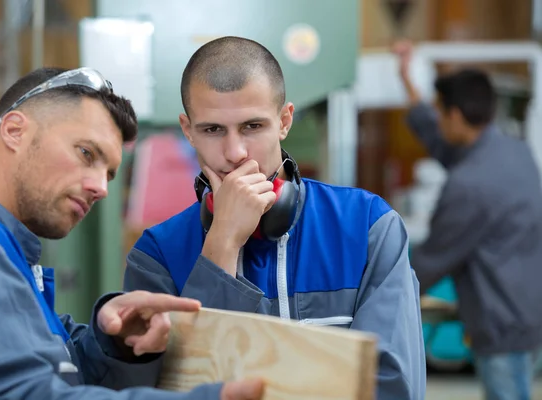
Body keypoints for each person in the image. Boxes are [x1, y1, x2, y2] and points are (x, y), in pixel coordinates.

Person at [123, 36, 426, 399]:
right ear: (188, 131)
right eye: (212, 129)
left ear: (284, 121)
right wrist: (221, 247)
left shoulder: (368, 227)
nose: (235, 153)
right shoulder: (156, 255)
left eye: (252, 127)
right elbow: (164, 389)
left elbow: (393, 386)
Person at [0, 67, 265, 400]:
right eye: (86, 153)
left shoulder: (4, 254)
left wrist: (113, 344)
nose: (100, 188)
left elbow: (55, 375)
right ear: (14, 131)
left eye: (108, 174)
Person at [393, 40, 542, 400]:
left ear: (456, 115)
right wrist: (407, 79)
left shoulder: (469, 184)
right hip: (529, 309)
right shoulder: (514, 150)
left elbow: (431, 261)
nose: (438, 118)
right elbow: (440, 138)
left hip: (500, 320)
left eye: (441, 111)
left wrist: (378, 292)